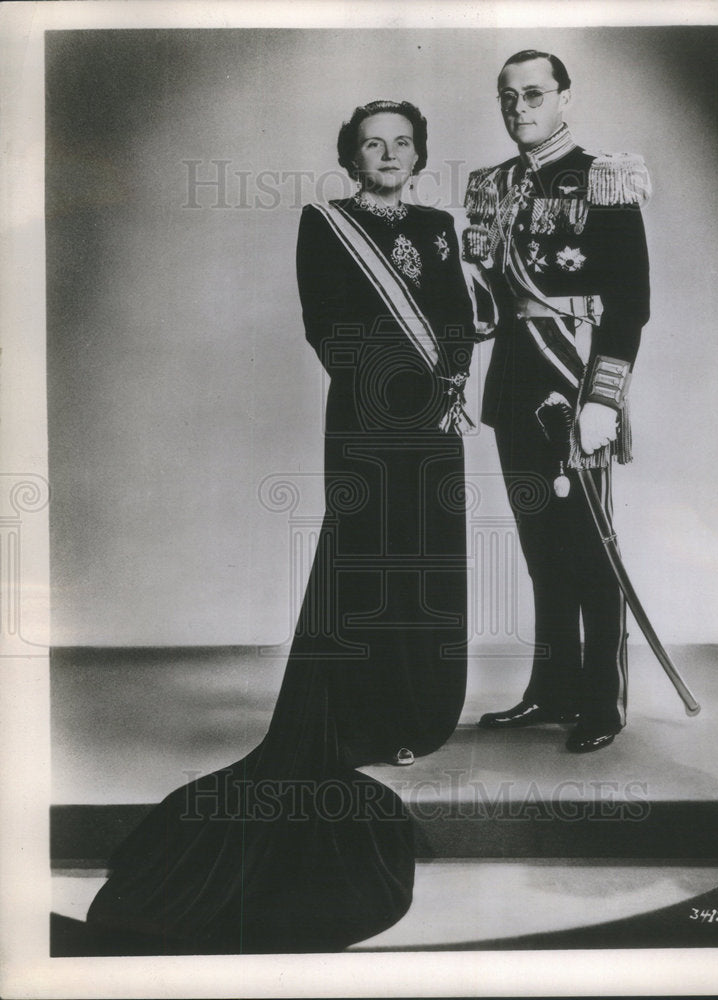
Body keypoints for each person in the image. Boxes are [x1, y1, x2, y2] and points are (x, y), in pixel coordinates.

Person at [85, 100, 475, 953]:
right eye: (372, 144)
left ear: (417, 153)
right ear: (351, 157)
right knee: (367, 559)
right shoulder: (325, 225)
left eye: (402, 142)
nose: (389, 154)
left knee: (426, 560)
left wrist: (450, 384)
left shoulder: (442, 224)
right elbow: (327, 328)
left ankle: (415, 711)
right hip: (371, 419)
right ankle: (357, 717)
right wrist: (397, 389)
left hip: (435, 424)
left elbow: (456, 319)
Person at [462, 50, 650, 753]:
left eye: (533, 94)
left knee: (589, 551)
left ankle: (600, 701)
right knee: (542, 547)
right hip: (513, 386)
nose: (519, 108)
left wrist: (603, 399)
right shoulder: (490, 186)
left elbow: (629, 305)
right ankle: (552, 688)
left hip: (573, 386)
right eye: (506, 97)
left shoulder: (603, 178)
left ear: (564, 98)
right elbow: (487, 304)